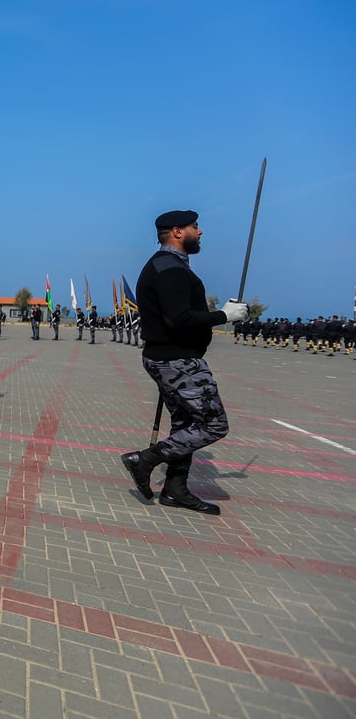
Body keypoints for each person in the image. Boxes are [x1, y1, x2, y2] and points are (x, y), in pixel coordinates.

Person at [121, 210, 248, 516]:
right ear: (177, 232)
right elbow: (179, 319)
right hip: (176, 361)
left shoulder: (168, 265)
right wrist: (224, 316)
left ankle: (175, 490)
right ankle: (145, 460)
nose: (200, 232)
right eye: (195, 227)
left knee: (187, 425)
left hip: (172, 359)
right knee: (213, 424)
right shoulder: (171, 269)